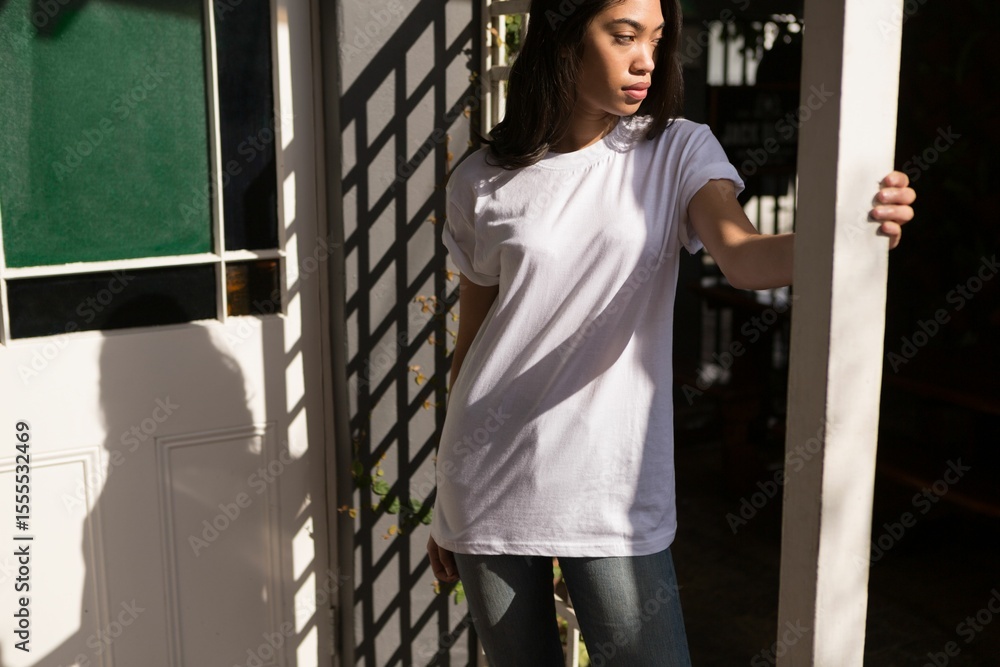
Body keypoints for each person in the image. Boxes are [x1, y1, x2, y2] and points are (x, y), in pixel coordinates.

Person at [426, 0, 917, 664]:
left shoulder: (675, 148)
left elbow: (742, 255)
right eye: (624, 36)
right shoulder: (483, 179)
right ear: (563, 39)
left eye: (656, 41)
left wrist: (847, 231)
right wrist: (442, 499)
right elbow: (473, 339)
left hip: (610, 491)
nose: (645, 61)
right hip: (483, 483)